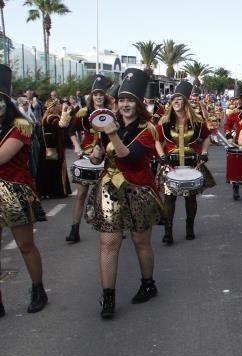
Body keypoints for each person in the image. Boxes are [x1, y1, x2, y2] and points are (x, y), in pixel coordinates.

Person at [85, 68, 163, 319]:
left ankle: (148, 283)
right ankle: (108, 296)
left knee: (141, 241)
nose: (125, 104)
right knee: (108, 242)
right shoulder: (107, 124)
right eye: (121, 100)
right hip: (110, 191)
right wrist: (96, 154)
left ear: (139, 103)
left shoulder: (147, 129)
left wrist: (112, 134)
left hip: (139, 191)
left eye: (130, 100)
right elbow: (99, 157)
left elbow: (130, 159)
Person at [0, 64, 48, 316]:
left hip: (15, 193)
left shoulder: (20, 125)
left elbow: (2, 157)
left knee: (25, 245)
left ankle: (38, 289)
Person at [156, 81, 215, 244]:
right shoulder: (164, 122)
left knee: (190, 198)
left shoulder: (197, 122)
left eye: (179, 99)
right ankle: (168, 232)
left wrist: (203, 153)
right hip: (171, 166)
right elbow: (156, 140)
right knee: (169, 198)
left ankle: (190, 228)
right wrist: (162, 156)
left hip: (192, 166)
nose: (175, 101)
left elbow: (207, 137)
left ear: (185, 102)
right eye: (173, 99)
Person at [60, 74, 113, 243]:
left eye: (101, 94)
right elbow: (69, 130)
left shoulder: (113, 113)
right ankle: (74, 229)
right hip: (88, 155)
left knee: (110, 193)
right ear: (91, 96)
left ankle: (114, 225)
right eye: (95, 94)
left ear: (105, 96)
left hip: (108, 155)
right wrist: (76, 145)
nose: (98, 97)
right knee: (81, 193)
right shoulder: (83, 113)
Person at [35, 97, 72, 198]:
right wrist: (65, 111)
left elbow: (64, 125)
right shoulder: (51, 118)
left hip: (53, 147)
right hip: (52, 147)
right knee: (53, 169)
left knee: (51, 169)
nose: (60, 106)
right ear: (54, 106)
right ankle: (54, 191)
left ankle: (51, 191)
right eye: (59, 104)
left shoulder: (53, 116)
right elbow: (62, 125)